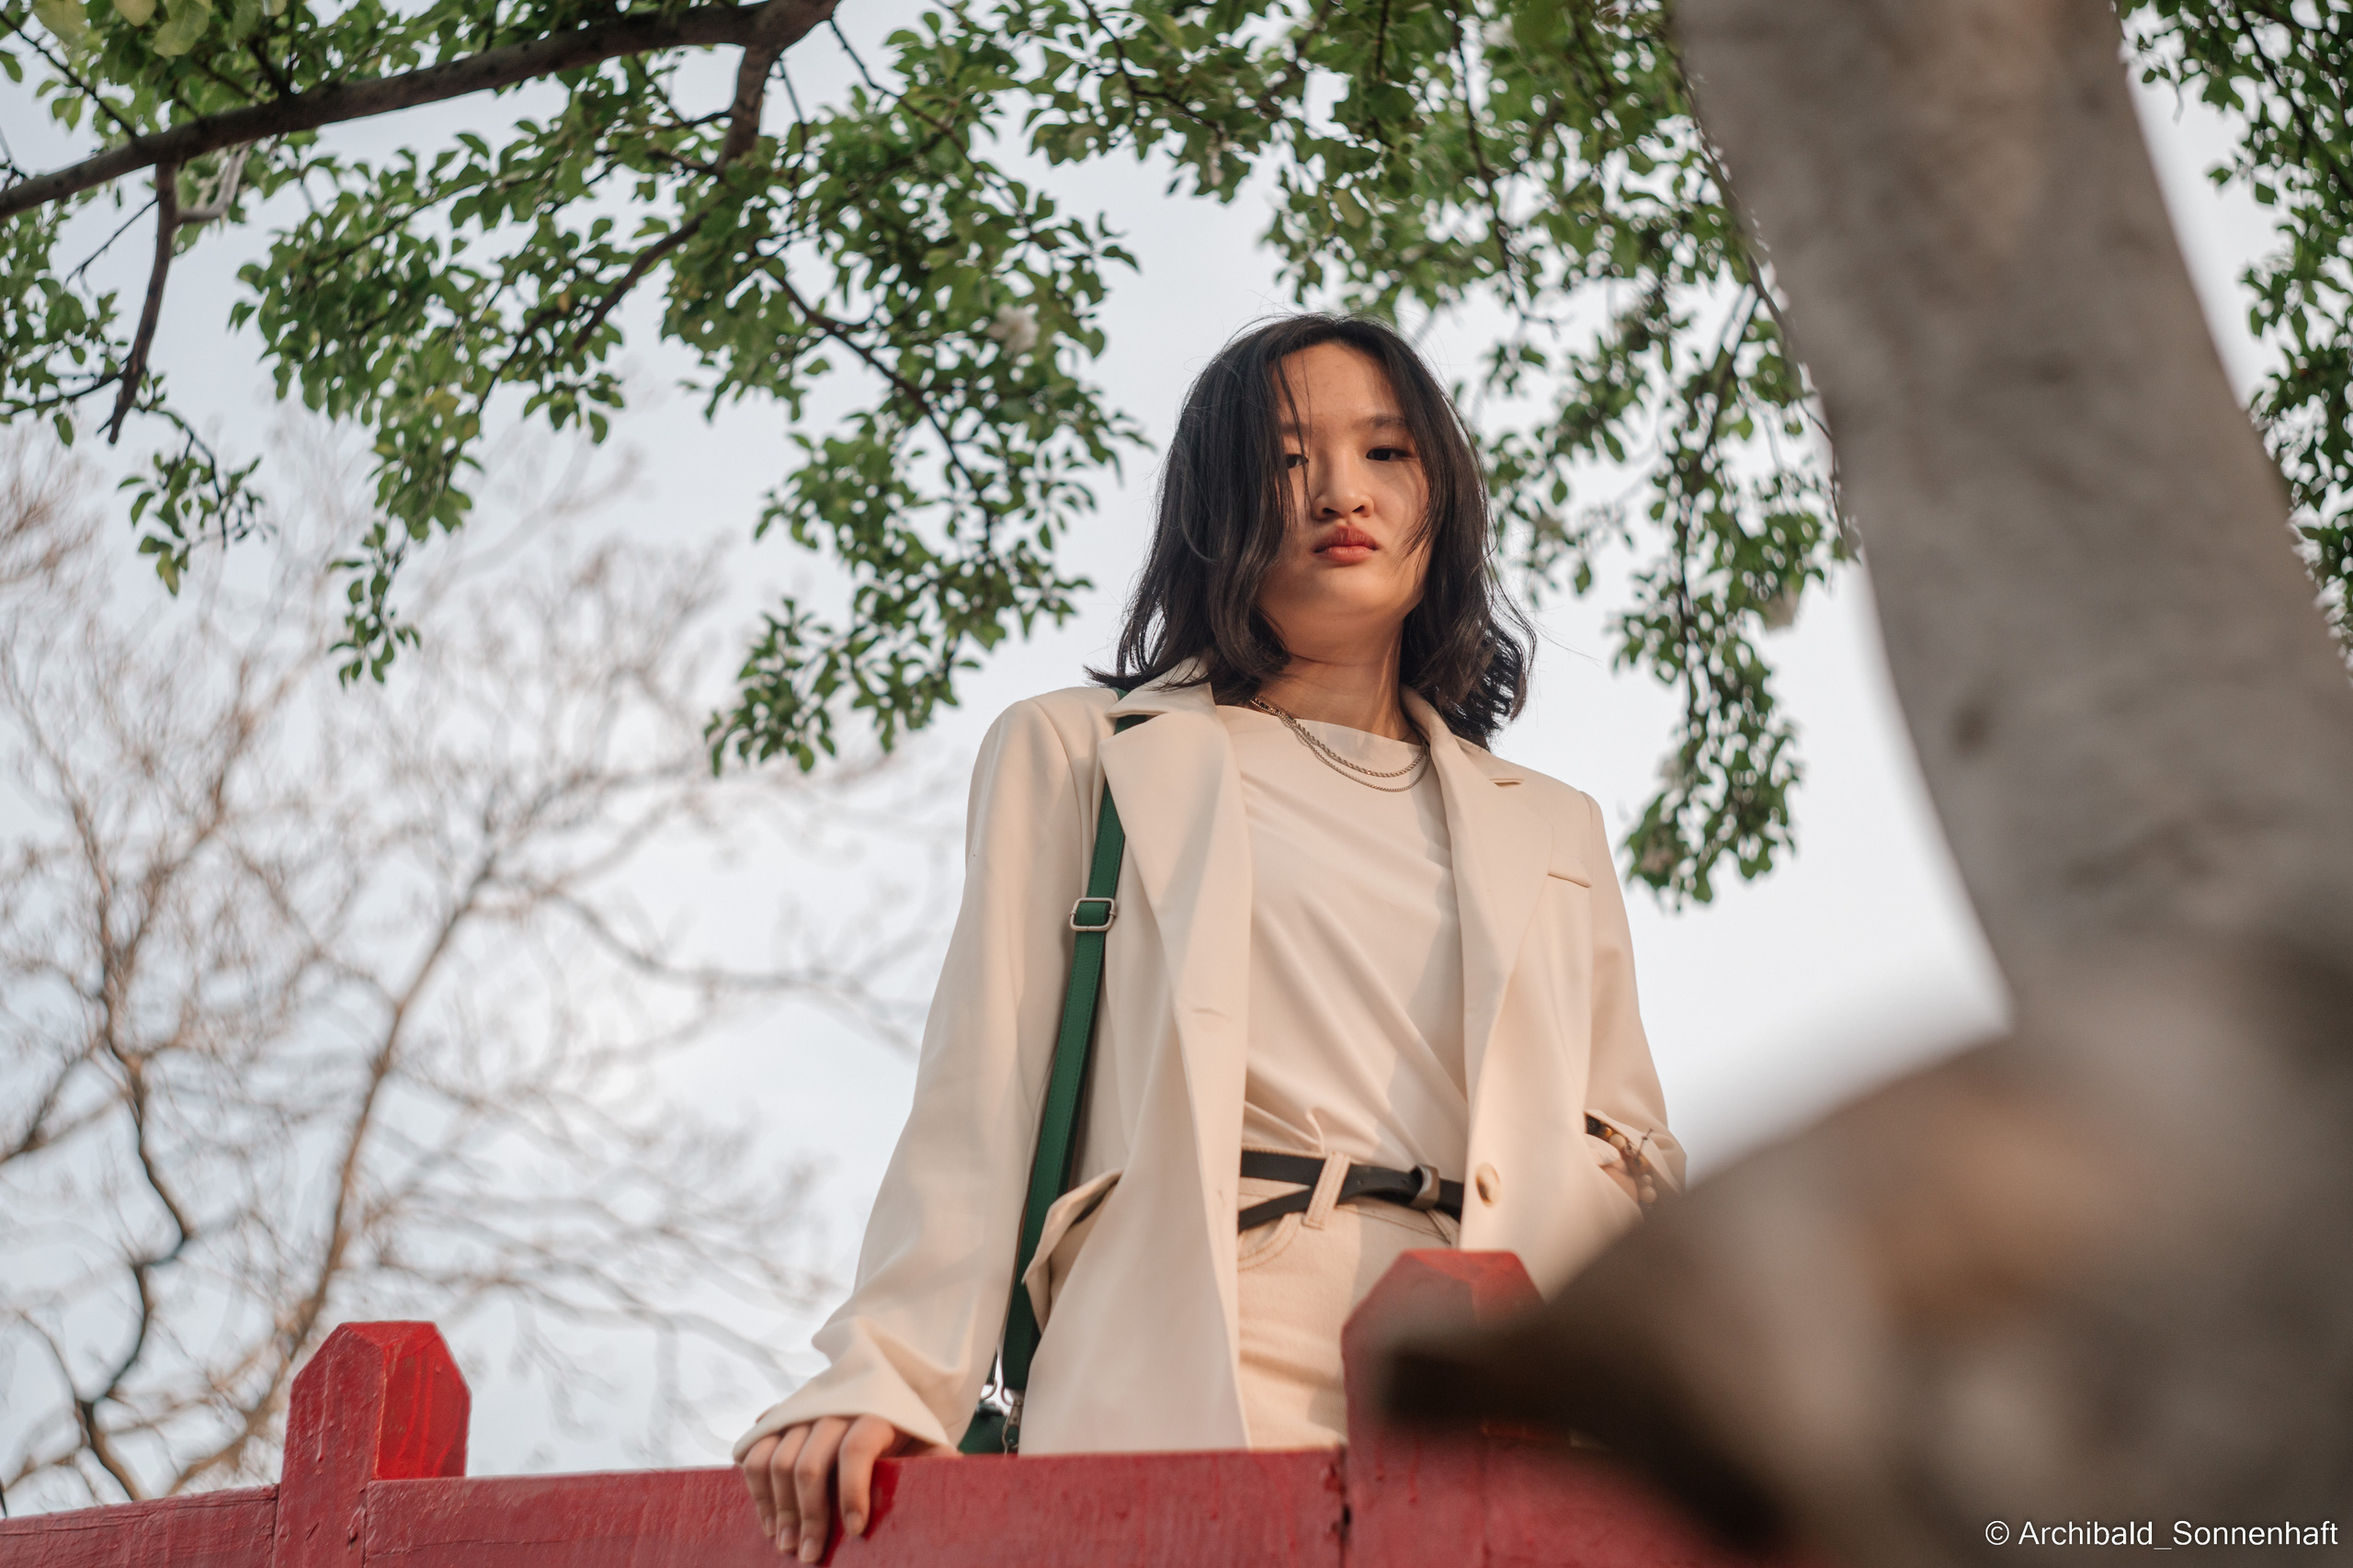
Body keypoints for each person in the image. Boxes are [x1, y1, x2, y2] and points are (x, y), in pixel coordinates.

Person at [735, 314, 1683, 1562]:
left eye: (1387, 453)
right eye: (1286, 460)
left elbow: (1632, 1153)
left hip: (1508, 1370)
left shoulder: (1553, 826)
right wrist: (889, 1371)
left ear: (1440, 498)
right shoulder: (1085, 753)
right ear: (1214, 506)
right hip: (1209, 1329)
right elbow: (987, 1082)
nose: (1341, 492)